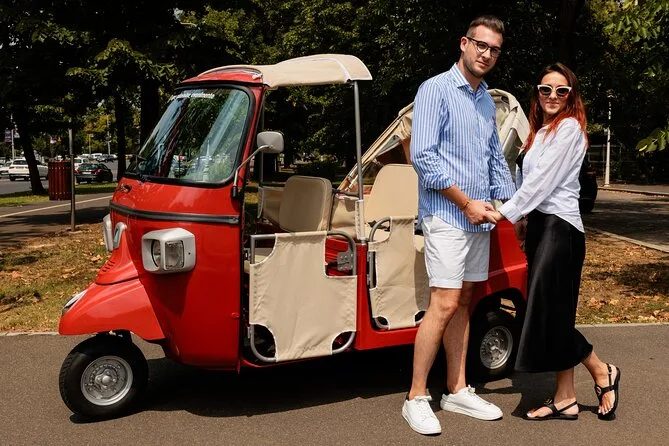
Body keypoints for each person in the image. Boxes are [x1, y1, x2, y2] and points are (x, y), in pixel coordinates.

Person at [488, 63, 620, 421]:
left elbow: (542, 183)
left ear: (571, 96)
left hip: (561, 229)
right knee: (556, 312)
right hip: (541, 228)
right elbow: (524, 179)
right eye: (546, 89)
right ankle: (566, 398)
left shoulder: (570, 129)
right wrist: (523, 221)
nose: (552, 96)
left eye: (562, 91)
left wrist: (505, 214)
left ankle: (601, 370)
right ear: (537, 93)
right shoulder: (540, 132)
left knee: (547, 314)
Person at [403, 15, 515, 435]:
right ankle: (416, 396)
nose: (486, 54)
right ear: (463, 44)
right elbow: (423, 157)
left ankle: (457, 389)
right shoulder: (435, 89)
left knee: (466, 301)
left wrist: (513, 208)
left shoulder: (486, 100)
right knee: (445, 303)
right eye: (480, 45)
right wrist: (466, 203)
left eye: (494, 49)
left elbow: (494, 160)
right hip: (447, 215)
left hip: (477, 219)